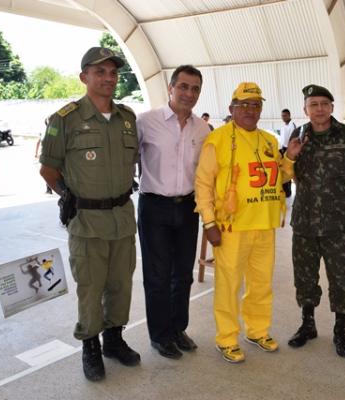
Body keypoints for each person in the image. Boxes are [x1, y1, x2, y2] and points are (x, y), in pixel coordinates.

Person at [39, 47, 140, 382]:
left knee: (121, 284)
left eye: (113, 73)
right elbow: (49, 170)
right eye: (100, 72)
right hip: (86, 222)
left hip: (123, 219)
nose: (108, 78)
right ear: (85, 77)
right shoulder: (64, 119)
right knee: (90, 288)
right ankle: (90, 346)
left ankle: (113, 338)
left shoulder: (128, 118)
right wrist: (69, 198)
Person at [194, 82, 302, 363]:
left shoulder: (268, 140)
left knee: (261, 284)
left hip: (264, 225)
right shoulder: (217, 140)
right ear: (231, 108)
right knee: (229, 286)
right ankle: (227, 339)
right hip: (231, 228)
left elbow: (279, 178)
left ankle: (257, 331)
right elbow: (203, 184)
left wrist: (289, 157)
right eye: (244, 105)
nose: (250, 110)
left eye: (255, 105)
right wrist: (209, 224)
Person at [137, 65, 210, 359]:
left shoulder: (203, 129)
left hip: (188, 208)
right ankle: (160, 335)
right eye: (183, 86)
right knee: (157, 275)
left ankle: (178, 328)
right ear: (170, 87)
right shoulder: (145, 122)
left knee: (183, 274)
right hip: (154, 207)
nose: (188, 94)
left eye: (194, 89)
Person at [285, 85, 345, 358]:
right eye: (313, 104)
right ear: (305, 109)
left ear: (331, 107)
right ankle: (308, 325)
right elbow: (290, 170)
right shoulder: (298, 134)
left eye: (323, 103)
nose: (319, 109)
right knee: (304, 276)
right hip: (303, 222)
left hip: (337, 223)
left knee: (340, 278)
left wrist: (342, 196)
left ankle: (341, 331)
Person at [279, 109, 296, 198]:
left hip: (289, 150)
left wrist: (289, 151)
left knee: (288, 170)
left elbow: (292, 139)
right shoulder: (283, 126)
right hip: (282, 149)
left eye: (285, 116)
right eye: (282, 116)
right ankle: (284, 191)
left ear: (289, 115)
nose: (283, 118)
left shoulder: (292, 125)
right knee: (282, 170)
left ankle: (288, 192)